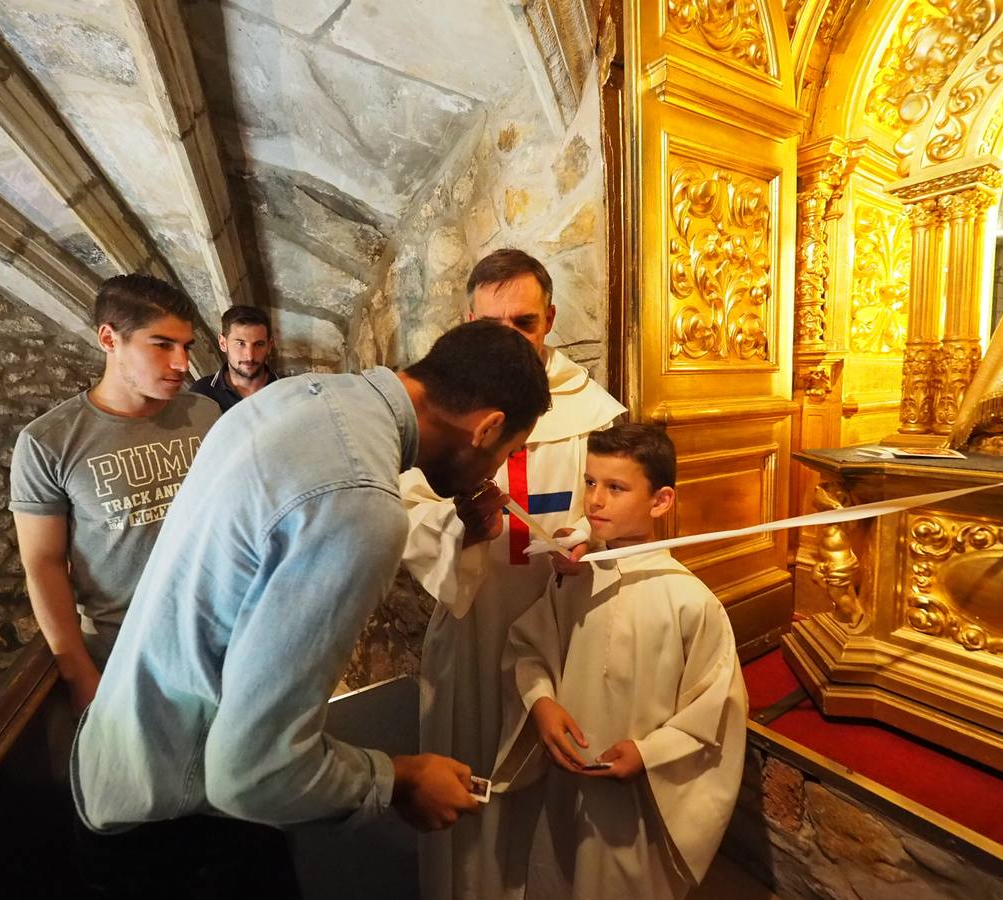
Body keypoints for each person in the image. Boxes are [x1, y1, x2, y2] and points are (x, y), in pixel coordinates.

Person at [69, 320, 551, 899]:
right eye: (506, 451)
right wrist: (398, 779)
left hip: (119, 748)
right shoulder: (361, 503)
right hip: (180, 824)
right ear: (489, 426)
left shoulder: (295, 397)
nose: (494, 471)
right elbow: (251, 772)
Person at [400, 248, 625, 900]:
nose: (508, 342)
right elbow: (410, 513)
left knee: (555, 781)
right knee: (469, 773)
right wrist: (463, 532)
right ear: (468, 319)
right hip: (474, 622)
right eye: (492, 325)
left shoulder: (593, 413)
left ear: (549, 319)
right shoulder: (442, 407)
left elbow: (618, 507)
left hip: (562, 625)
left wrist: (592, 545)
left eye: (523, 324)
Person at [493, 425, 747, 899]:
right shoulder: (574, 579)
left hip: (636, 806)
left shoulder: (689, 602)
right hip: (566, 789)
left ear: (661, 501)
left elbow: (715, 705)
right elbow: (530, 645)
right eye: (590, 483)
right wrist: (541, 702)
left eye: (616, 487)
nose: (595, 501)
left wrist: (650, 753)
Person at [9, 274, 220, 712]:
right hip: (124, 648)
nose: (182, 363)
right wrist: (78, 671)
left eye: (186, 346)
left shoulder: (204, 413)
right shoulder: (49, 440)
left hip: (215, 630)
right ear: (109, 338)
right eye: (162, 345)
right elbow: (43, 563)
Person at [190, 304, 281, 412]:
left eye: (259, 344)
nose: (250, 356)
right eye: (240, 343)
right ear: (223, 343)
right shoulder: (202, 393)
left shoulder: (289, 390)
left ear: (269, 346)